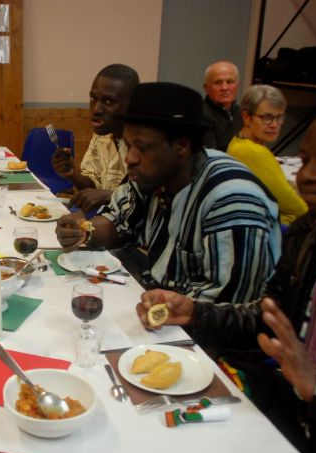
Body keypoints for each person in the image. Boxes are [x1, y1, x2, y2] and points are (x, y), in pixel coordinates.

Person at [137, 95, 316, 453]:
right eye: (305, 161)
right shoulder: (311, 234)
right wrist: (195, 311)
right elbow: (267, 315)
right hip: (295, 412)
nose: (306, 176)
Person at [56, 82, 281, 303]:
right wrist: (83, 230)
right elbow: (118, 222)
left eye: (142, 148)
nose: (130, 158)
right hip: (160, 297)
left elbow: (226, 308)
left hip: (202, 320)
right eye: (128, 145)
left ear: (181, 146)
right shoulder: (153, 174)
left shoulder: (231, 202)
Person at [51, 64, 139, 213]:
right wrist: (73, 175)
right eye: (93, 98)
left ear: (131, 105)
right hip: (107, 218)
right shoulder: (102, 135)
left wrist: (108, 196)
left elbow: (146, 200)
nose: (96, 109)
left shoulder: (143, 145)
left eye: (109, 102)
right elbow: (92, 187)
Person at [227, 85, 307, 226]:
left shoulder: (237, 141)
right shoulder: (255, 152)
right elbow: (290, 203)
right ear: (246, 117)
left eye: (279, 117)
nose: (274, 125)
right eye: (267, 118)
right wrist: (314, 215)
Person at [201, 61, 243, 151]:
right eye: (218, 82)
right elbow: (211, 155)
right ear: (206, 88)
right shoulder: (201, 114)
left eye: (230, 82)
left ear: (237, 85)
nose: (224, 88)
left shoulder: (242, 112)